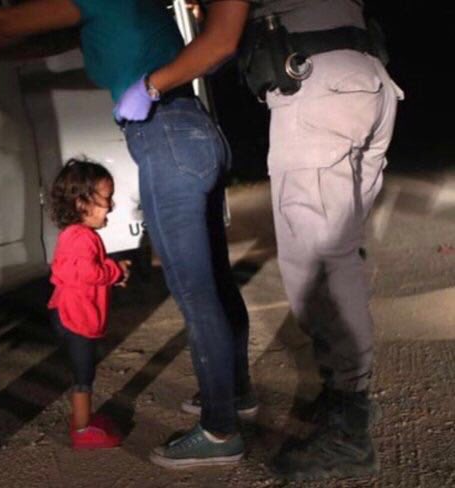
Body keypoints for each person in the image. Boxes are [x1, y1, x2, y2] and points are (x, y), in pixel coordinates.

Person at [0, 0, 254, 469]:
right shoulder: (125, 10)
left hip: (165, 136)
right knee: (215, 281)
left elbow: (2, 23)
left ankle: (220, 429)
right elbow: (28, 42)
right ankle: (234, 393)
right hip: (193, 130)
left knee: (196, 292)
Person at [117, 0, 403, 480]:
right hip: (367, 79)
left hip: (317, 89)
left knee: (317, 270)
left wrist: (150, 85)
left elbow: (221, 41)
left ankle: (349, 430)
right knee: (340, 257)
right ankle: (345, 400)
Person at [47, 159, 130, 449]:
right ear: (82, 203)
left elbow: (81, 273)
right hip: (75, 318)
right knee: (83, 374)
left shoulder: (76, 235)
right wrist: (115, 271)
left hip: (68, 313)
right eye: (106, 199)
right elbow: (87, 272)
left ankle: (84, 420)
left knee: (83, 370)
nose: (111, 206)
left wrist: (112, 274)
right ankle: (82, 429)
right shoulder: (81, 237)